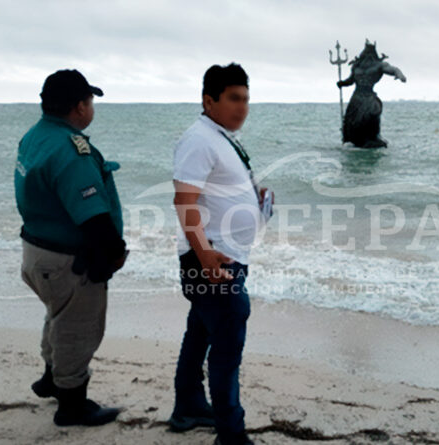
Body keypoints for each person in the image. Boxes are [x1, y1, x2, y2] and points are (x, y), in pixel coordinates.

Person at [14, 69, 128, 427]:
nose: (91, 107)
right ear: (79, 106)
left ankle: (52, 377)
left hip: (37, 252)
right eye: (90, 100)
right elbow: (92, 216)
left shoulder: (35, 137)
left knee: (58, 315)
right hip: (68, 259)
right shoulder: (71, 150)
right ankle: (72, 404)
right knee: (79, 328)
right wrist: (111, 253)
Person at [170, 63, 271, 445]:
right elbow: (184, 200)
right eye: (233, 98)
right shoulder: (199, 139)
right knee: (228, 339)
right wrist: (206, 255)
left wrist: (253, 195)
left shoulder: (221, 136)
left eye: (246, 98)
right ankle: (231, 433)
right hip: (211, 257)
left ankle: (189, 406)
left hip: (223, 254)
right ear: (208, 100)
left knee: (200, 330)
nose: (242, 107)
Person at [337, 40, 406, 148]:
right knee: (351, 119)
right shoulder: (356, 66)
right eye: (366, 51)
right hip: (357, 97)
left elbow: (392, 69)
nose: (368, 54)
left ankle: (374, 136)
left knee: (372, 113)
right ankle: (351, 138)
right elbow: (350, 80)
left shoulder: (379, 65)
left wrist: (399, 74)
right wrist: (342, 83)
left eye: (371, 51)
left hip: (369, 96)